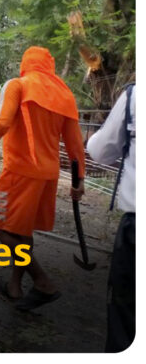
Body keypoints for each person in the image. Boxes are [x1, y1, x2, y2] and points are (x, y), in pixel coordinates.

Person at [0, 46, 86, 311]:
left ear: (25, 63)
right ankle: (14, 287)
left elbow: (1, 122)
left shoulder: (18, 84)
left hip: (20, 171)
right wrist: (80, 180)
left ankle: (42, 281)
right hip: (48, 174)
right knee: (21, 230)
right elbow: (75, 144)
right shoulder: (64, 94)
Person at [86, 84, 135, 352]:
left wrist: (94, 137)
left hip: (138, 225)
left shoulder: (134, 96)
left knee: (125, 306)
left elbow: (102, 151)